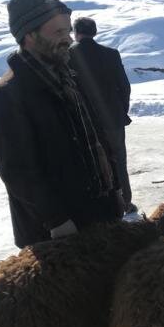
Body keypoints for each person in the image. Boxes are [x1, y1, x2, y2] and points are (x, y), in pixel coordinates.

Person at [0, 0, 123, 327]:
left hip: (94, 212)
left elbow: (94, 136)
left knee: (92, 296)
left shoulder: (66, 75)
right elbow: (18, 172)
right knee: (60, 311)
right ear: (29, 36)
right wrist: (56, 220)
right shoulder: (7, 96)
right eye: (58, 31)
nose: (67, 37)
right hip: (54, 228)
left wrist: (114, 185)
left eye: (67, 29)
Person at [69, 17, 135, 213]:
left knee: (93, 162)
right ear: (95, 32)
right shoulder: (111, 54)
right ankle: (125, 201)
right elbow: (124, 86)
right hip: (113, 117)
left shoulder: (69, 55)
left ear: (75, 32)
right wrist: (121, 110)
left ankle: (104, 205)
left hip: (84, 120)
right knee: (119, 160)